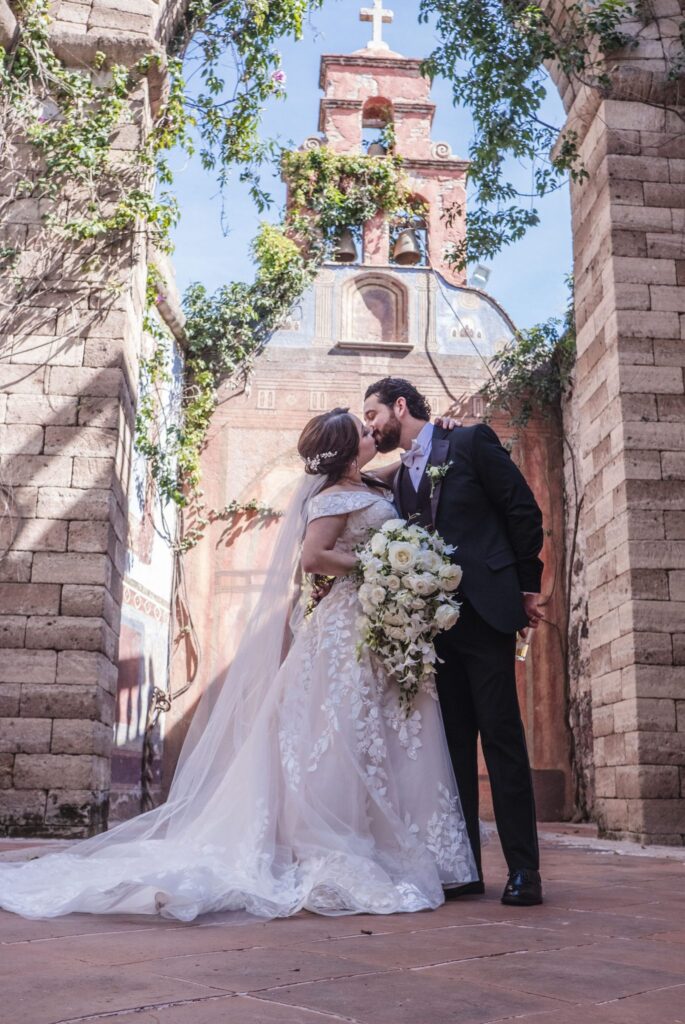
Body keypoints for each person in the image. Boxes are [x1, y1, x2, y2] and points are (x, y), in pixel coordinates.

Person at [0, 408, 477, 921]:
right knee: (342, 731)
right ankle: (339, 841)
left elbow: (408, 463)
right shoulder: (332, 498)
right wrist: (377, 566)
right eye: (363, 431)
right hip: (346, 629)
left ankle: (390, 841)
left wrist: (438, 433)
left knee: (377, 728)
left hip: (374, 624)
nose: (372, 433)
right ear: (345, 450)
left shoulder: (365, 483)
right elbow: (313, 558)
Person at [364, 378, 545, 907]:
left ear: (400, 405)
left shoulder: (467, 441)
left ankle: (524, 870)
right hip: (432, 630)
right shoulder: (399, 476)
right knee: (453, 749)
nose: (370, 425)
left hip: (486, 614)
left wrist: (526, 586)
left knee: (502, 740)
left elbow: (521, 508)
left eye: (372, 414)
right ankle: (466, 869)